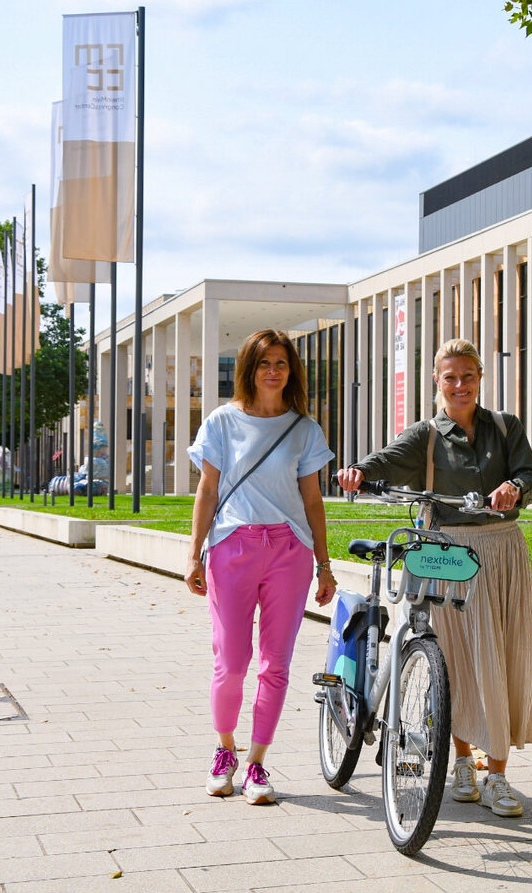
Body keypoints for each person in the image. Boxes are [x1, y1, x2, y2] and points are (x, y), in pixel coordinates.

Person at [335, 338, 532, 818]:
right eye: (449, 377)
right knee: (455, 661)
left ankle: (497, 774)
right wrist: (355, 473)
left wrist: (514, 487)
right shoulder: (426, 435)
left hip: (501, 553)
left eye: (467, 376)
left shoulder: (505, 427)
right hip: (446, 552)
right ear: (437, 380)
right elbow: (383, 461)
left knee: (503, 657)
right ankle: (460, 764)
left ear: (479, 378)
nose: (459, 385)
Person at [186, 329, 338, 805]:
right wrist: (194, 554)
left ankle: (256, 763)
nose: (273, 371)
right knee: (231, 662)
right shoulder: (221, 422)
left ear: (291, 370)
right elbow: (208, 491)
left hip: (289, 551)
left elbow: (313, 500)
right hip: (233, 546)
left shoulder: (304, 429)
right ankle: (224, 749)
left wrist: (324, 565)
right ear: (249, 368)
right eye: (264, 362)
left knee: (276, 665)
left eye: (282, 363)